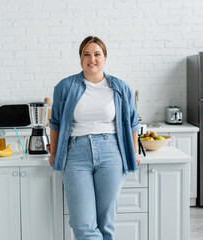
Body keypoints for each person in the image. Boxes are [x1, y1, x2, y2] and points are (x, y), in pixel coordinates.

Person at [48, 36, 140, 240]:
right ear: (80, 58)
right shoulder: (65, 86)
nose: (92, 59)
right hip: (75, 154)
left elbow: (132, 123)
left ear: (105, 58)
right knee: (83, 225)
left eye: (97, 54)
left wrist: (134, 151)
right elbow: (55, 123)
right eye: (86, 54)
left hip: (111, 152)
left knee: (106, 223)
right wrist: (54, 152)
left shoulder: (120, 87)